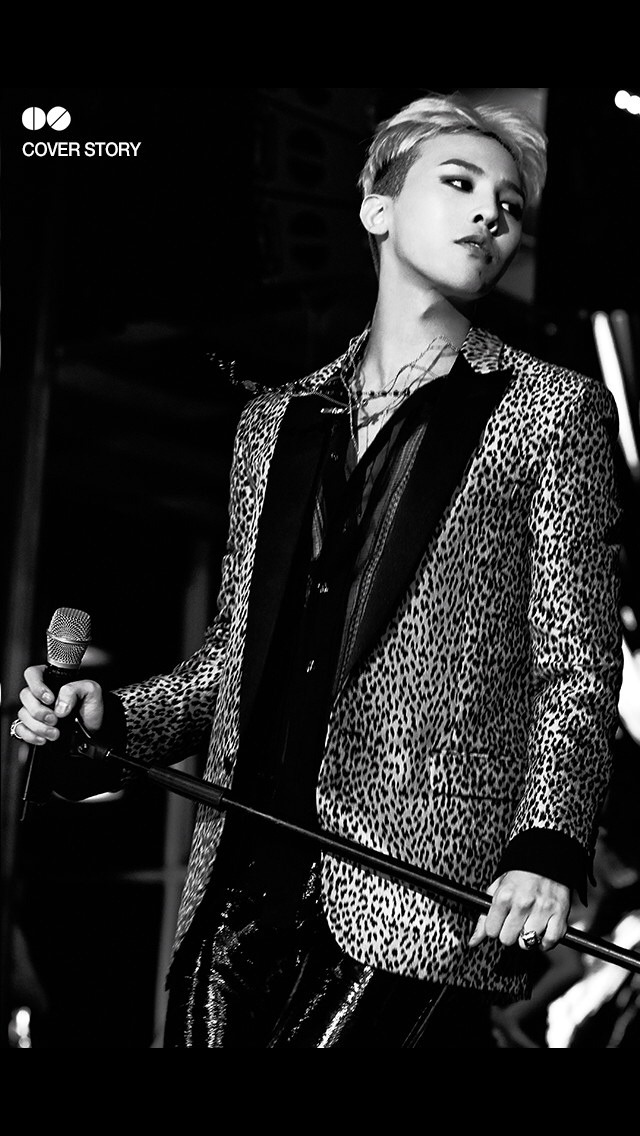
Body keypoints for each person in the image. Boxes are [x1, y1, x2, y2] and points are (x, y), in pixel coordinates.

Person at [13, 91, 624, 1048]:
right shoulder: (275, 424)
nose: (490, 214)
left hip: (415, 898)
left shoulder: (551, 412)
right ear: (377, 207)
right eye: (459, 183)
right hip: (234, 893)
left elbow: (577, 670)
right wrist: (117, 719)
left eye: (510, 205)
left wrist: (546, 845)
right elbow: (235, 660)